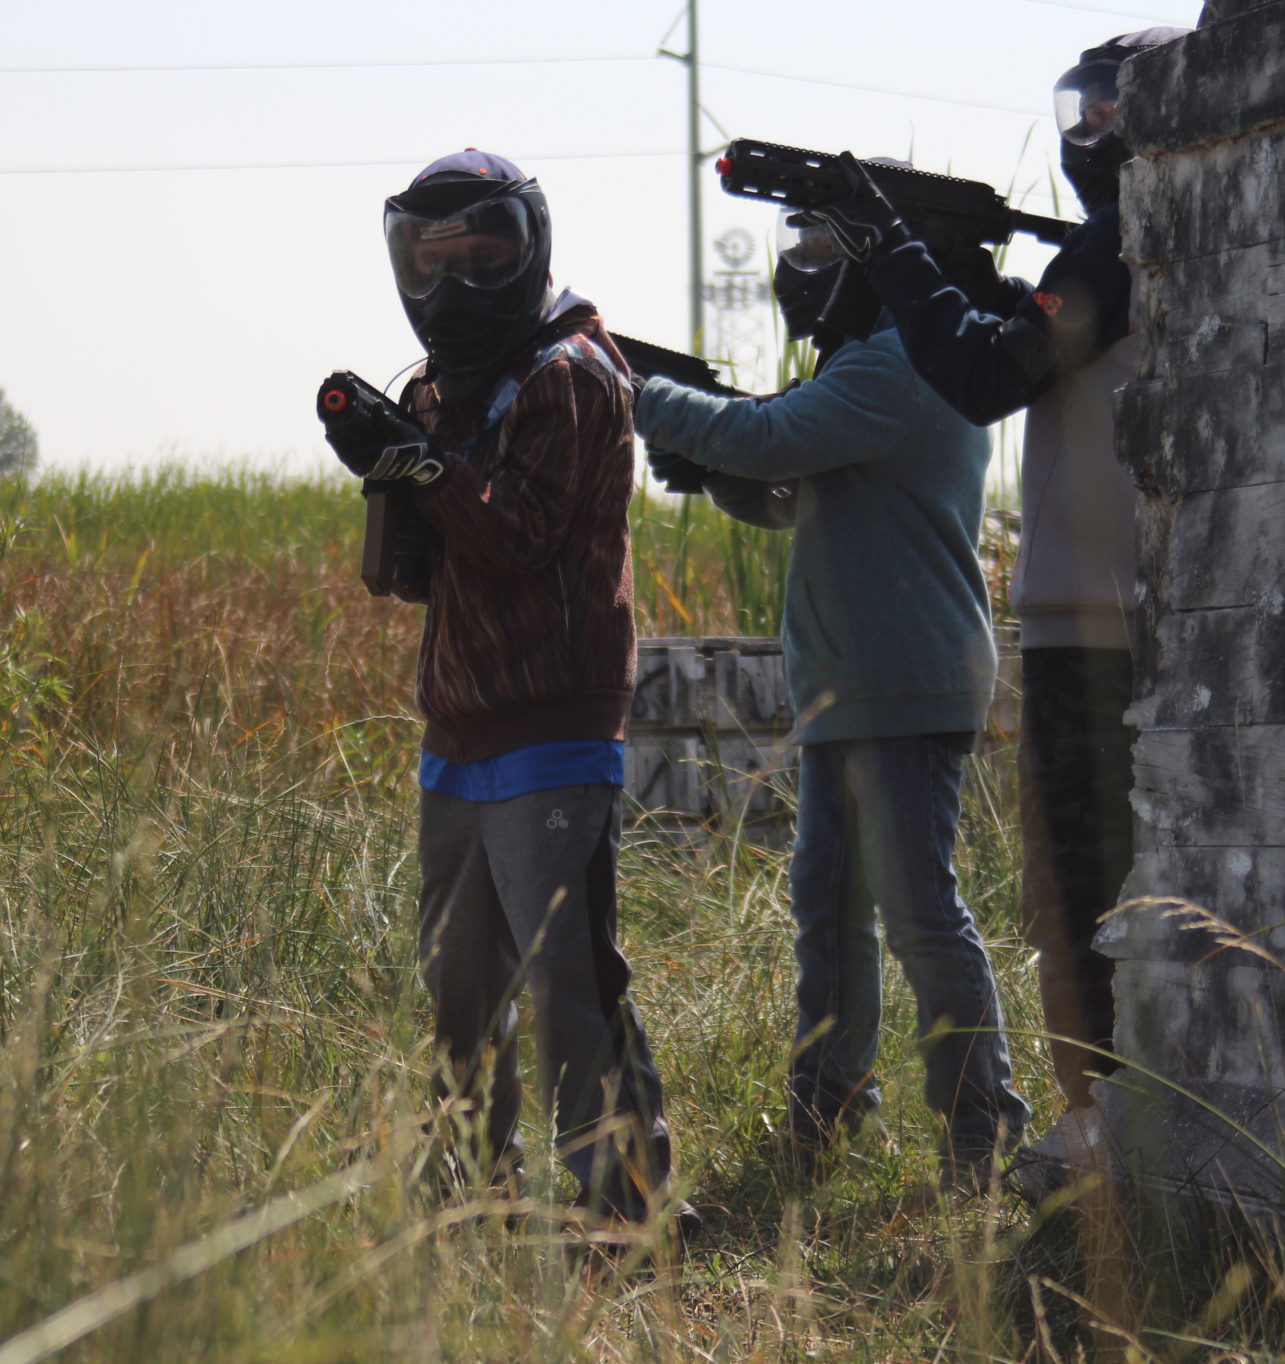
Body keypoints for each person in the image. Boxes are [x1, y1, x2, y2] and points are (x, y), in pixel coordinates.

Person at [791, 29, 1189, 1108]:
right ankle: (1107, 1130)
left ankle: (1093, 1138)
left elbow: (979, 372)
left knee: (1075, 900)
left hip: (1093, 626)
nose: (1090, 132)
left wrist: (897, 256)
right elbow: (1024, 340)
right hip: (1131, 614)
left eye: (1110, 111)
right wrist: (965, 277)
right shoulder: (1142, 242)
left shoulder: (1116, 242)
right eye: (1080, 111)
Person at [315, 149, 691, 1235]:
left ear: (527, 249)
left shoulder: (571, 374)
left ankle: (618, 1206)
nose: (454, 285)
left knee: (566, 985)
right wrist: (389, 457)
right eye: (430, 261)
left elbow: (520, 537)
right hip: (459, 725)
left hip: (551, 727)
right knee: (459, 989)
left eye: (482, 256)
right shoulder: (443, 385)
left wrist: (416, 465)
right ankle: (473, 1196)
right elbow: (420, 571)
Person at [633, 199, 1032, 1192]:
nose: (800, 269)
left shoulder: (897, 363)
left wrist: (638, 395)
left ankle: (982, 1132)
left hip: (903, 676)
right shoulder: (875, 365)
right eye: (795, 247)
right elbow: (784, 487)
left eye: (820, 249)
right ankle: (832, 1095)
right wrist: (706, 462)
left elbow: (768, 441)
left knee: (916, 913)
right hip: (854, 684)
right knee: (828, 901)